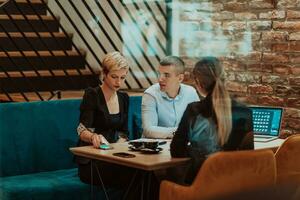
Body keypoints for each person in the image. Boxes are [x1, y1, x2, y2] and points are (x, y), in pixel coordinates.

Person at [170, 56, 254, 184]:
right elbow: (248, 154)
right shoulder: (245, 111)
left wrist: (195, 151)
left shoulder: (194, 110)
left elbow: (176, 150)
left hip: (202, 184)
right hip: (236, 185)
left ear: (199, 82)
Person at [75, 51, 135, 189]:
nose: (118, 82)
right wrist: (93, 136)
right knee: (131, 175)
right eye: (114, 76)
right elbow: (81, 129)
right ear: (104, 73)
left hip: (114, 155)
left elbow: (124, 132)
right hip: (92, 160)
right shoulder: (92, 94)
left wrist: (120, 143)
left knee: (144, 174)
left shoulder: (124, 98)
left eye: (123, 77)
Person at [142, 56, 199, 139]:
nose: (160, 79)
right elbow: (148, 130)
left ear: (180, 78)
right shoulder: (150, 94)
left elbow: (198, 124)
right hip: (153, 148)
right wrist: (181, 132)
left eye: (166, 75)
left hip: (181, 145)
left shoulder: (191, 93)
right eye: (159, 74)